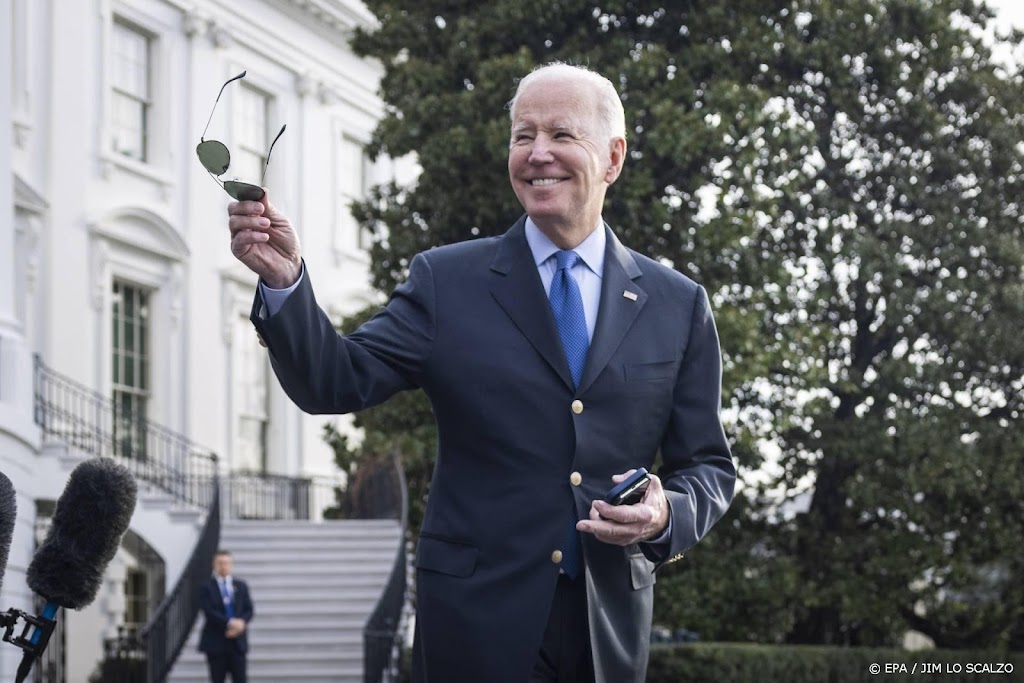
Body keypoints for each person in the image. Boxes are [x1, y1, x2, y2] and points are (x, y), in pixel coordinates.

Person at [226, 62, 736, 682]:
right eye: (524, 136)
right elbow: (335, 380)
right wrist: (286, 285)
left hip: (607, 632)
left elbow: (708, 467)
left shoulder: (677, 303)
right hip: (473, 625)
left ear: (613, 157)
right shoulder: (448, 281)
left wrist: (665, 516)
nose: (538, 153)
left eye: (561, 135)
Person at [198, 549, 254, 683]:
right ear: (214, 565)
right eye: (220, 563)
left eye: (227, 563)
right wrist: (230, 623)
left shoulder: (241, 586)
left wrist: (241, 624)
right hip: (216, 642)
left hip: (237, 643)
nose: (224, 566)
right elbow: (209, 611)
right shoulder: (206, 587)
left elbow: (249, 609)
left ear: (231, 564)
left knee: (240, 679)